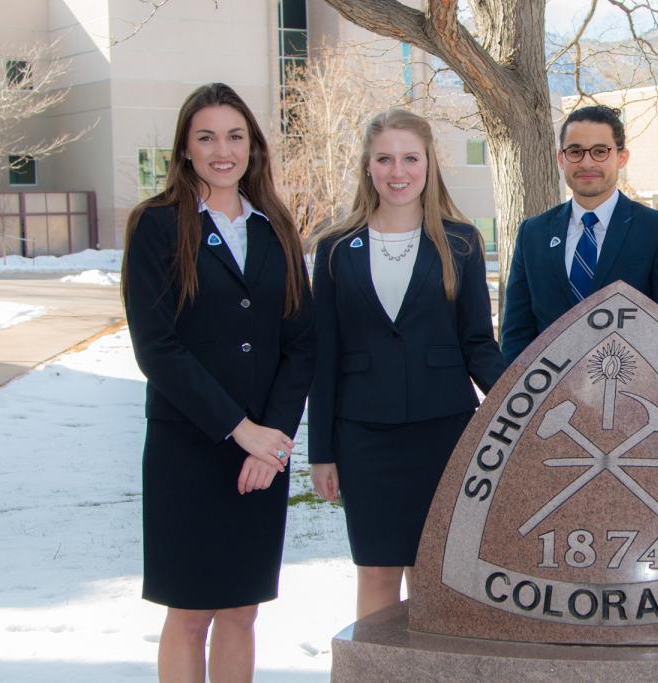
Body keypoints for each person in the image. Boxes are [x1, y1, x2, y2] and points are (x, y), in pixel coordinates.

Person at [121, 82, 315, 682]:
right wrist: (241, 432)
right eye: (206, 137)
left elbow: (300, 342)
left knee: (241, 610)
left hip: (262, 455)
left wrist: (274, 437)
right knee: (189, 611)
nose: (221, 150)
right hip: (190, 447)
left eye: (235, 136)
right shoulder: (155, 225)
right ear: (184, 149)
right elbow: (158, 348)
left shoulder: (275, 225)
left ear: (253, 148)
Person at [307, 108, 505, 619]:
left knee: (432, 569)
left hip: (443, 431)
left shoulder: (460, 242)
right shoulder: (334, 249)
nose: (399, 172)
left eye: (410, 158)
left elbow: (477, 343)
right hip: (363, 437)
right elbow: (323, 356)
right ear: (368, 167)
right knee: (375, 570)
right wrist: (322, 452)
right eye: (385, 159)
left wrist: (520, 399)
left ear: (428, 163)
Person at [501, 104, 658, 363]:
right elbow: (516, 336)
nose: (587, 162)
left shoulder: (657, 230)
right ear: (561, 159)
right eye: (575, 152)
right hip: (550, 400)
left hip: (632, 395)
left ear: (621, 157)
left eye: (600, 151)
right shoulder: (532, 234)